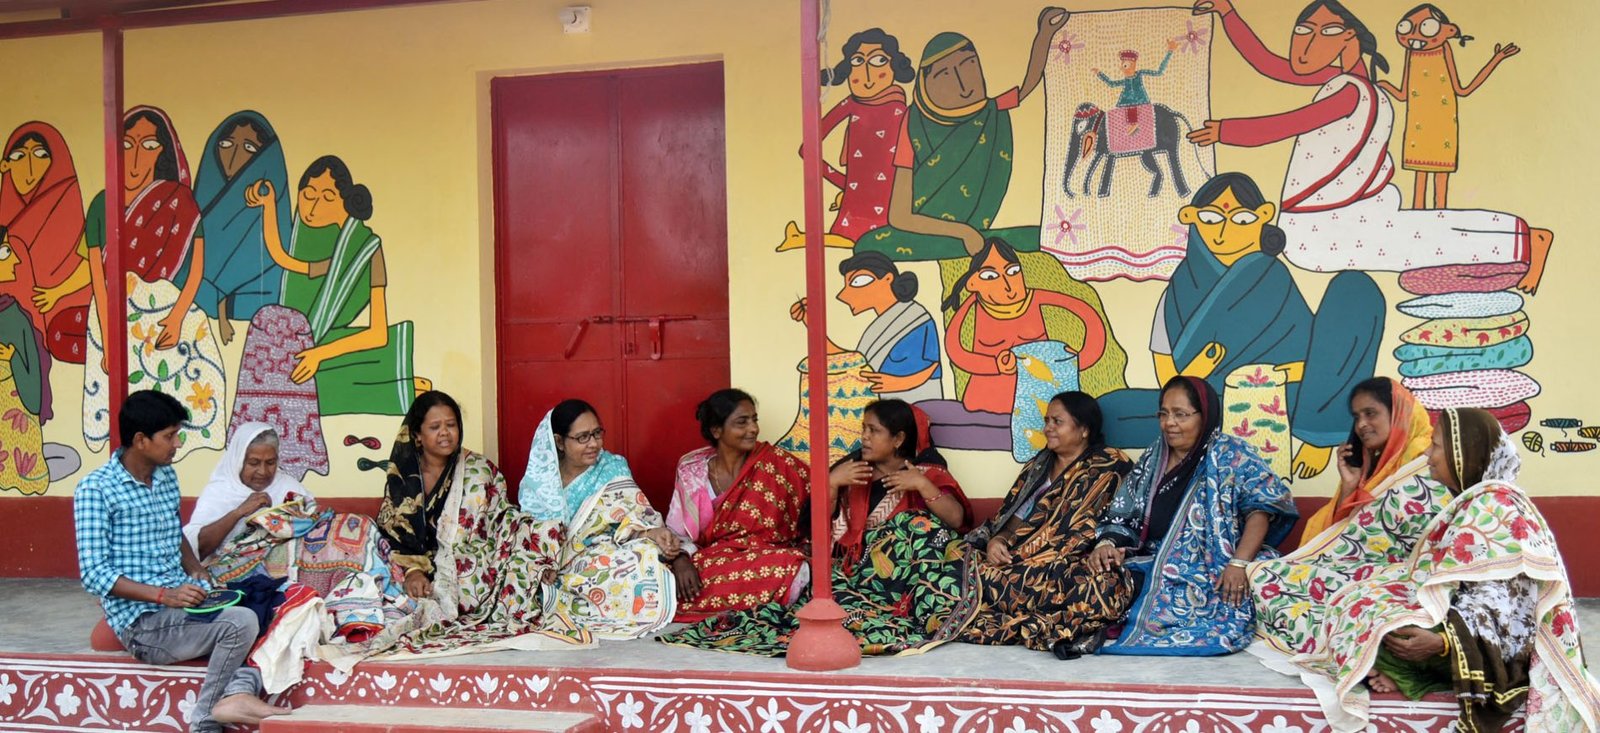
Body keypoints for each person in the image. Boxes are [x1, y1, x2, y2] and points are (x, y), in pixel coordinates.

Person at [1189, 0, 1552, 295]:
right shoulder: (1342, 80)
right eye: (1302, 30)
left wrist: (1227, 131)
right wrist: (1227, 12)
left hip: (1329, 219)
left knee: (1419, 242)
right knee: (1415, 239)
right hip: (1334, 214)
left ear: (1350, 37)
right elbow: (1267, 63)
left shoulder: (1351, 91)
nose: (1306, 43)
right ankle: (1512, 242)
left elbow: (1293, 123)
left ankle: (1519, 241)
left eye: (1324, 31)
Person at [1282, 408, 1600, 732]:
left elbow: (1511, 611)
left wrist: (1443, 643)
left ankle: (1408, 671)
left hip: (1497, 650)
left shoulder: (1498, 508)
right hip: (1462, 620)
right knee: (1358, 604)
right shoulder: (1472, 501)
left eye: (1435, 446)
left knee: (1379, 628)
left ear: (1465, 455)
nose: (1427, 454)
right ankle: (1400, 664)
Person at [1097, 172, 1384, 479]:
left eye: (1242, 219)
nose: (1223, 231)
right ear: (1192, 219)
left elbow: (1319, 361)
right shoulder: (1178, 291)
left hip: (1289, 398)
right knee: (1109, 408)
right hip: (1213, 406)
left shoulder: (1274, 279)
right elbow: (1170, 382)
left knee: (1356, 290)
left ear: (1262, 219)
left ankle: (1318, 433)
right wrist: (1198, 371)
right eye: (1209, 218)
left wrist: (1274, 376)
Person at [661, 399, 975, 655]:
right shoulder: (853, 472)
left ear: (898, 440)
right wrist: (832, 485)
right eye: (863, 429)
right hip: (853, 576)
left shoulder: (928, 473)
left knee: (916, 526)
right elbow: (816, 532)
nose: (863, 437)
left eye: (873, 431)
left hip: (905, 575)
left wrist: (920, 485)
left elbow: (956, 522)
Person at [73, 390, 289, 731]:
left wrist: (196, 569)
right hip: (143, 624)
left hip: (181, 604)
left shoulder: (165, 477)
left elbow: (175, 534)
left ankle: (239, 691)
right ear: (141, 440)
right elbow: (94, 575)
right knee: (240, 623)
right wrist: (165, 596)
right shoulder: (95, 490)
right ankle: (204, 718)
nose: (176, 444)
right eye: (170, 436)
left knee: (270, 603)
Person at [345, 391, 585, 660]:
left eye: (451, 424)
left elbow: (501, 518)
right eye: (435, 427)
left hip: (472, 563)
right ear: (417, 435)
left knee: (537, 534)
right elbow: (394, 532)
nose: (445, 433)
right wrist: (413, 569)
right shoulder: (403, 477)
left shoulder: (478, 469)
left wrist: (537, 553)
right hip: (417, 566)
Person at [1086, 376, 1297, 655]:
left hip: (1215, 565)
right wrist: (1108, 545)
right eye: (1163, 413)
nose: (1169, 423)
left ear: (1205, 415)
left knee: (1266, 586)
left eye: (1180, 414)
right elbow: (1124, 512)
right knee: (1086, 582)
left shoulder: (1231, 454)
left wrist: (1239, 564)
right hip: (1150, 561)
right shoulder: (1154, 456)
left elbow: (1261, 510)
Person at [1248, 377, 1449, 659]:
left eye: (1371, 413)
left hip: (1405, 579)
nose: (1362, 425)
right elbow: (1337, 538)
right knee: (1263, 574)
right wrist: (1349, 487)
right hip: (1360, 571)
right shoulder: (1373, 467)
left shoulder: (1434, 461)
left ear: (1399, 412)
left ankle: (1354, 651)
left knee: (1348, 602)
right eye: (1356, 417)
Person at [75, 107, 227, 457]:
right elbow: (98, 279)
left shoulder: (180, 201)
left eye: (148, 145)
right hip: (112, 314)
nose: (136, 157)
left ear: (163, 152)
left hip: (167, 310)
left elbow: (197, 268)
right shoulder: (102, 204)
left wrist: (176, 318)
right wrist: (110, 337)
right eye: (127, 144)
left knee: (196, 366)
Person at [243, 156, 426, 416]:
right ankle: (404, 385)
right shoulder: (309, 244)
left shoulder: (367, 251)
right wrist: (269, 204)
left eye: (327, 197)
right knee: (281, 381)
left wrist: (319, 355)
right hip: (299, 345)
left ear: (346, 203)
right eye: (307, 195)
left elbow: (378, 334)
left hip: (325, 349)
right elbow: (281, 256)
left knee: (299, 389)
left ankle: (407, 388)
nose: (313, 207)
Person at [960, 391, 1136, 657]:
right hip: (1020, 562)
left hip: (1068, 565)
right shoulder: (1038, 466)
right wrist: (998, 541)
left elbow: (1123, 519)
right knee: (960, 564)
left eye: (1057, 421)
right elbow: (1012, 522)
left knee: (1100, 586)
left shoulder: (1111, 464)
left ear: (1084, 429)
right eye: (1046, 421)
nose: (1047, 429)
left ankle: (1020, 605)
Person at [519, 399, 677, 639]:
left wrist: (650, 532)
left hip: (598, 556)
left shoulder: (612, 467)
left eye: (596, 433)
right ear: (560, 442)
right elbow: (530, 531)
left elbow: (631, 515)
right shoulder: (539, 481)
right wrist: (543, 563)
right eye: (582, 437)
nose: (593, 444)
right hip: (551, 561)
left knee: (640, 556)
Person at [665, 388, 811, 622]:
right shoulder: (692, 470)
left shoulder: (775, 462)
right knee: (673, 581)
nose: (753, 429)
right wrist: (681, 559)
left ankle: (732, 606)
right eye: (741, 422)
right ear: (716, 430)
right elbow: (676, 532)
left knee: (790, 565)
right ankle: (750, 605)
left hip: (767, 557)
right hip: (712, 561)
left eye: (754, 420)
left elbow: (818, 495)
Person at [776, 28, 916, 249]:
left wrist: (848, 187)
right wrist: (849, 186)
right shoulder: (851, 104)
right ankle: (801, 239)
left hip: (893, 200)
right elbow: (808, 149)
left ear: (894, 67)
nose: (867, 74)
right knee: (856, 239)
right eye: (858, 61)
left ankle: (801, 239)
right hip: (859, 202)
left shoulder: (903, 110)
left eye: (879, 60)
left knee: (867, 242)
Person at [940, 238, 1108, 415]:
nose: (1007, 285)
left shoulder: (1035, 298)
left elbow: (1088, 315)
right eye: (990, 276)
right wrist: (994, 365)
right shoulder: (972, 307)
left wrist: (1075, 361)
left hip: (1040, 404)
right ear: (972, 283)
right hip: (987, 405)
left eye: (1013, 271)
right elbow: (955, 350)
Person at [1378, 4, 1518, 210]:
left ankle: (1440, 214)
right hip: (1417, 124)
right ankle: (1418, 213)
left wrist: (1495, 59)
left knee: (1440, 176)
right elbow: (1402, 94)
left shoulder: (1443, 49)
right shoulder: (1411, 54)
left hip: (1443, 122)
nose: (1414, 35)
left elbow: (1462, 90)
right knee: (1420, 175)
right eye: (1407, 27)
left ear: (1446, 30)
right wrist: (1383, 84)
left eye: (1426, 27)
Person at [181, 111, 289, 343]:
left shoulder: (270, 214)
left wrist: (223, 306)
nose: (233, 156)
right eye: (226, 144)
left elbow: (273, 287)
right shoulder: (194, 210)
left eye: (249, 148)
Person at [788, 251, 943, 402]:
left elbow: (932, 367)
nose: (843, 294)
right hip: (881, 412)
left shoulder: (914, 318)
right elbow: (852, 362)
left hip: (914, 411)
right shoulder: (879, 326)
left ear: (888, 279)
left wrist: (898, 383)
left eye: (857, 281)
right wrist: (812, 323)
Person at [0, 122, 90, 362]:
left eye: (40, 155)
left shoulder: (65, 198)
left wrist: (57, 292)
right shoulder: (5, 219)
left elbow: (90, 263)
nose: (29, 167)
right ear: (5, 165)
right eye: (19, 156)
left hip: (68, 313)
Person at [184, 423, 310, 561]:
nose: (263, 471)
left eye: (270, 462)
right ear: (238, 461)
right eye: (253, 463)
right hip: (224, 572)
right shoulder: (219, 491)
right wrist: (238, 513)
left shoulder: (289, 488)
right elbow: (196, 549)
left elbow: (312, 527)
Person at [1092, 41, 1177, 135]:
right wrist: (1099, 74)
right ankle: (1129, 129)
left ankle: (1135, 125)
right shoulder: (1125, 80)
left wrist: (1170, 51)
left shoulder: (1139, 74)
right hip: (1126, 102)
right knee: (1122, 113)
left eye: (1125, 65)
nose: (1122, 69)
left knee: (1134, 109)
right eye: (1122, 66)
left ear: (1133, 64)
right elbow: (1111, 84)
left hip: (1140, 101)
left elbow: (1159, 72)